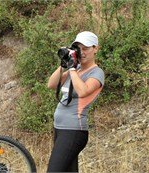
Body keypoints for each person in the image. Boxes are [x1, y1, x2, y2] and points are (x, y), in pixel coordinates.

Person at [47, 31, 105, 172]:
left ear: (95, 48)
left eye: (86, 49)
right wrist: (64, 63)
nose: (82, 53)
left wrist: (72, 68)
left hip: (73, 130)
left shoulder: (97, 73)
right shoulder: (76, 70)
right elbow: (51, 84)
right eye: (79, 49)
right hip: (60, 128)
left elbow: (83, 91)